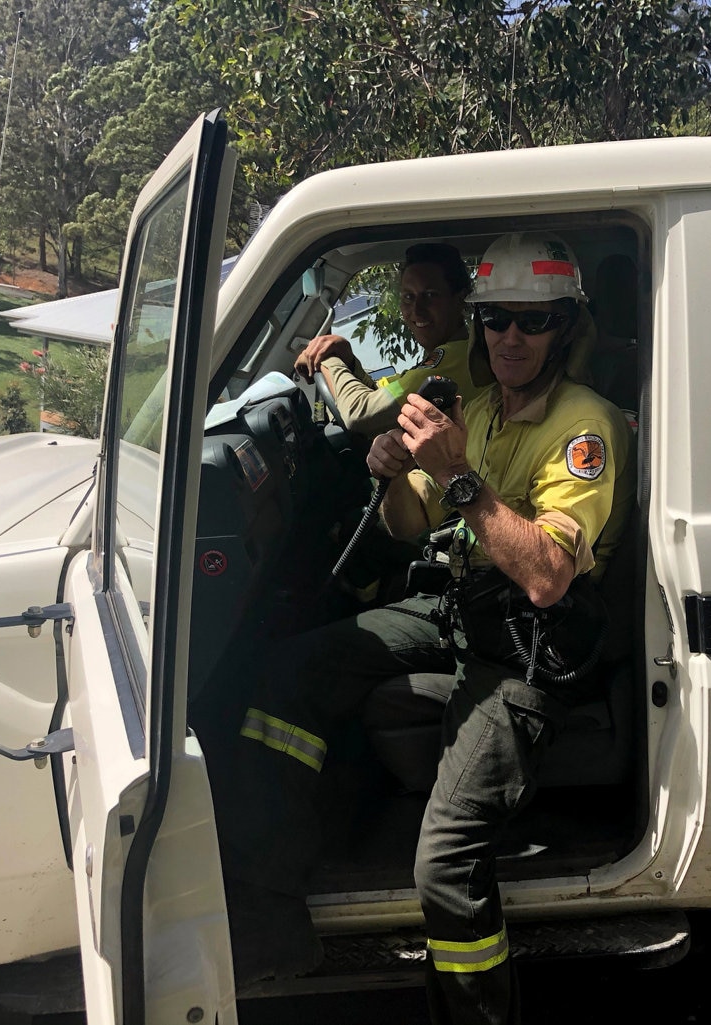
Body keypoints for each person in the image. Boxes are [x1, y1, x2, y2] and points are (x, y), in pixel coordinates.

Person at [222, 231, 634, 1025]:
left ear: (565, 326)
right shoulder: (477, 407)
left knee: (444, 867)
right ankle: (270, 906)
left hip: (527, 650)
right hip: (459, 606)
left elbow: (547, 576)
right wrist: (391, 469)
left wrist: (453, 472)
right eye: (495, 319)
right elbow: (414, 522)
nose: (510, 337)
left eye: (532, 320)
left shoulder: (587, 427)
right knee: (287, 674)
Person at [294, 242, 481, 437]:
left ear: (460, 299)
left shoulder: (455, 359)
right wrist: (349, 360)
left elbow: (360, 414)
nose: (417, 310)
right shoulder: (445, 357)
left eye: (430, 295)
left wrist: (326, 359)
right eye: (408, 297)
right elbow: (380, 397)